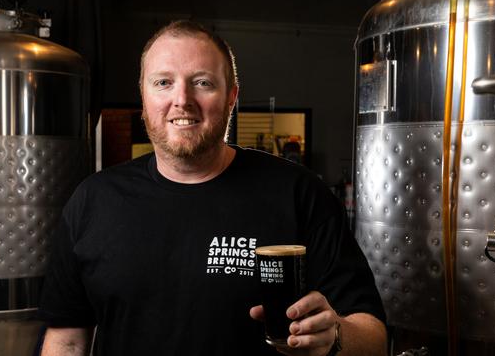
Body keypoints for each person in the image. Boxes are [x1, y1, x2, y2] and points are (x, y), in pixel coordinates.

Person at [39, 20, 386, 356]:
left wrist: (335, 338)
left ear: (232, 96)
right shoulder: (93, 200)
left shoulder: (299, 193)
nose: (182, 99)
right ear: (143, 95)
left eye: (203, 83)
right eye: (163, 82)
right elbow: (67, 341)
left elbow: (374, 339)